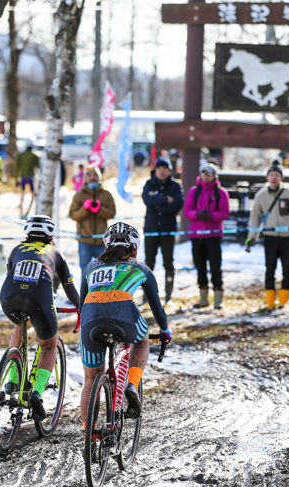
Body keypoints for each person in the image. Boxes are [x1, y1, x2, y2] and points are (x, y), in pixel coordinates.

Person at [79, 222, 173, 442]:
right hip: (125, 317)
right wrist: (165, 330)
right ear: (135, 249)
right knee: (142, 340)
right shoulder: (140, 267)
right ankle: (131, 384)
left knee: (90, 380)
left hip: (91, 320)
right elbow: (156, 307)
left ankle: (88, 436)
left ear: (106, 245)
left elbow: (82, 303)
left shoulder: (91, 267)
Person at [0, 215, 80, 420]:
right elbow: (70, 290)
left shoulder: (16, 250)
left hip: (9, 297)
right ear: (50, 235)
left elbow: (13, 277)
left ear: (27, 234)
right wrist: (82, 307)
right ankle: (37, 393)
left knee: (20, 325)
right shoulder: (56, 253)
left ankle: (12, 380)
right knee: (49, 345)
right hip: (39, 297)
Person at [245, 164, 289, 309]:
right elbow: (255, 218)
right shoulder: (261, 197)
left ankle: (283, 301)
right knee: (270, 268)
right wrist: (252, 236)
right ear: (267, 178)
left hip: (288, 237)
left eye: (277, 175)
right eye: (271, 175)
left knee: (286, 269)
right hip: (270, 237)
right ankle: (270, 302)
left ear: (282, 178)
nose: (274, 178)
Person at [184, 163, 230, 309]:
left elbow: (224, 213)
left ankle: (218, 298)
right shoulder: (194, 191)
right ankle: (203, 298)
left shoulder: (221, 192)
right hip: (197, 235)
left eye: (209, 174)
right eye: (204, 173)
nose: (206, 176)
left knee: (216, 266)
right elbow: (187, 210)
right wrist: (197, 215)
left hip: (214, 235)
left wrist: (210, 216)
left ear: (214, 176)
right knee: (200, 267)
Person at [68, 167, 116, 299]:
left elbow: (112, 213)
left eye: (95, 175)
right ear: (86, 178)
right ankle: (85, 296)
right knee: (85, 271)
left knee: (103, 270)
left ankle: (103, 295)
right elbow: (73, 214)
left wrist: (100, 209)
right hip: (84, 240)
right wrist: (85, 208)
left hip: (101, 240)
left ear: (99, 177)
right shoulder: (79, 195)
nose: (92, 178)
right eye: (90, 176)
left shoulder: (106, 194)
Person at [142, 157, 184, 304]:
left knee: (168, 263)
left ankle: (168, 295)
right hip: (151, 229)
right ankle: (146, 296)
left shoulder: (175, 186)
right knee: (148, 264)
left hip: (167, 230)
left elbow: (178, 204)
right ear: (156, 170)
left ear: (169, 171)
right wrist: (166, 199)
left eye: (165, 169)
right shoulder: (149, 183)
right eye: (159, 169)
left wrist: (158, 202)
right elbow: (148, 200)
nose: (162, 172)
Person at [14, 145, 40, 217]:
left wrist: (16, 179)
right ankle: (27, 212)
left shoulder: (21, 155)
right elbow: (38, 166)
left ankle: (21, 213)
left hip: (23, 177)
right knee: (32, 194)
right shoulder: (34, 155)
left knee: (22, 194)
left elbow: (17, 167)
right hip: (30, 177)